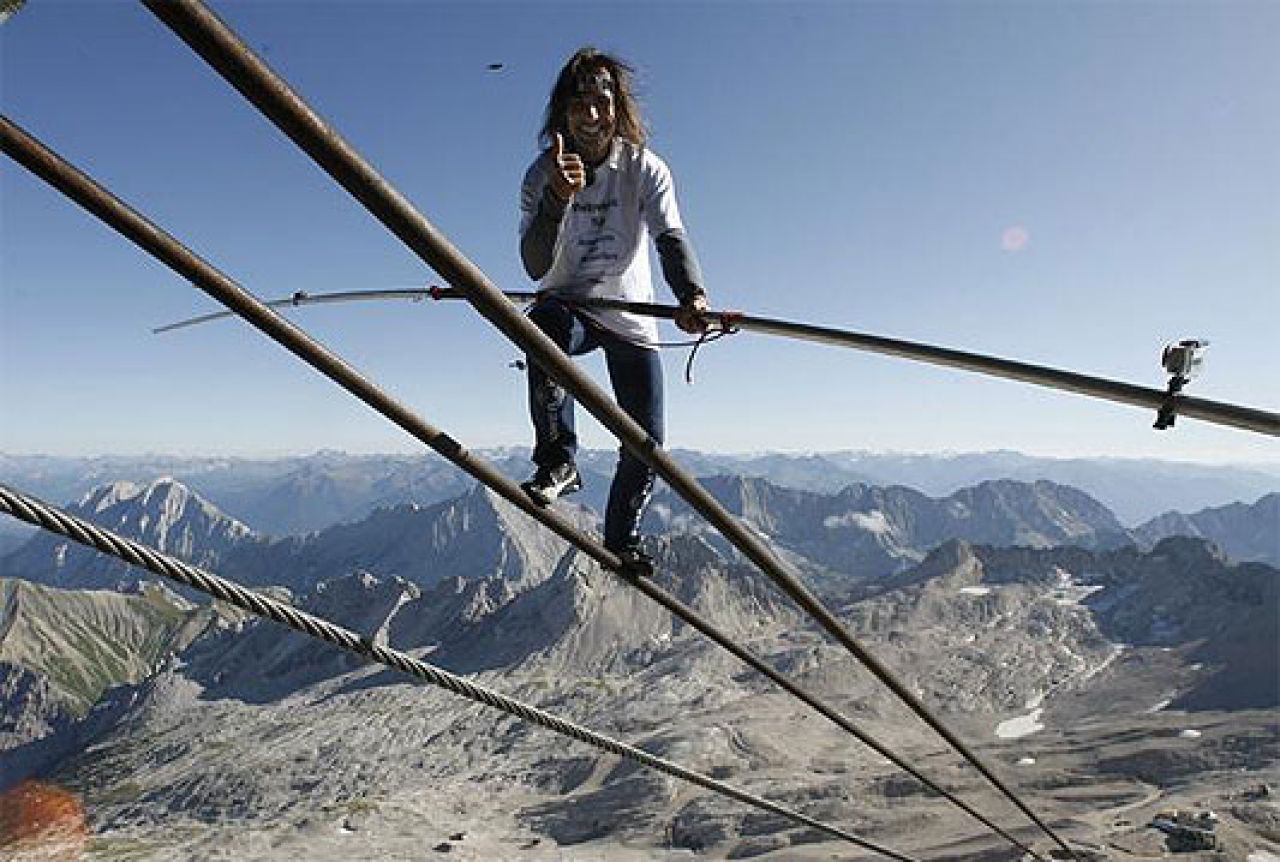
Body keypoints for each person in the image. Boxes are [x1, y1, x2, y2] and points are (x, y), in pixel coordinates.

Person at [518, 47, 709, 577]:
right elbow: (535, 265)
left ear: (617, 106)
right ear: (562, 112)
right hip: (567, 305)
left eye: (601, 100)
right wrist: (558, 197)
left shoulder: (644, 168)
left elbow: (670, 237)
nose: (591, 113)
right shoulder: (541, 175)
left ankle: (622, 538)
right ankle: (558, 460)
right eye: (579, 102)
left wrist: (690, 296)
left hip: (629, 315)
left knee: (646, 444)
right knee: (542, 332)